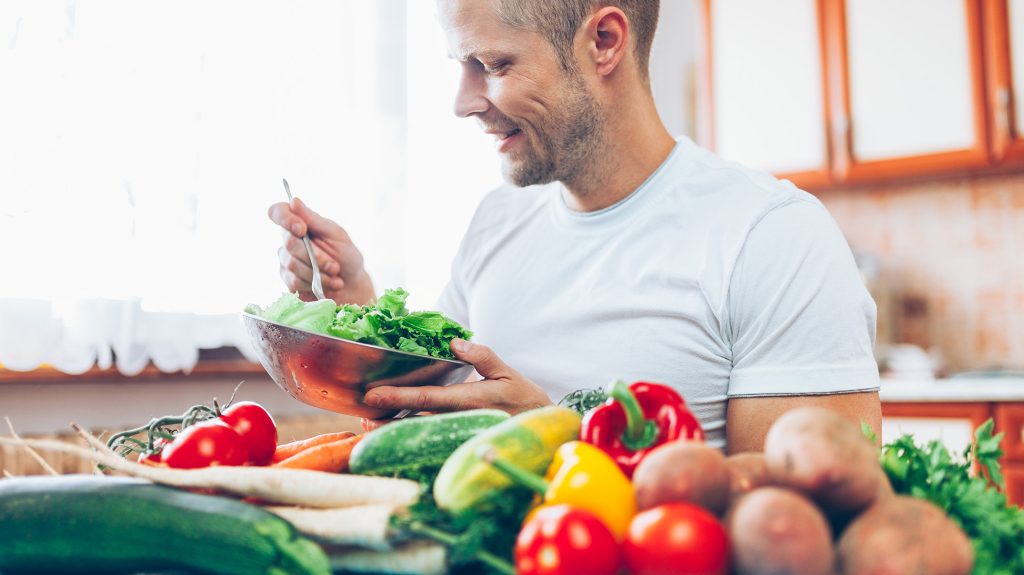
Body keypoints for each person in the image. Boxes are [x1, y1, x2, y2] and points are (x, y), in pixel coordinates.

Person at [268, 0, 881, 452]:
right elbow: (427, 402)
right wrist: (357, 306)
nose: (463, 102)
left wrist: (556, 440)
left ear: (604, 41)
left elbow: (797, 524)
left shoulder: (772, 238)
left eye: (493, 63)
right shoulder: (496, 221)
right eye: (461, 64)